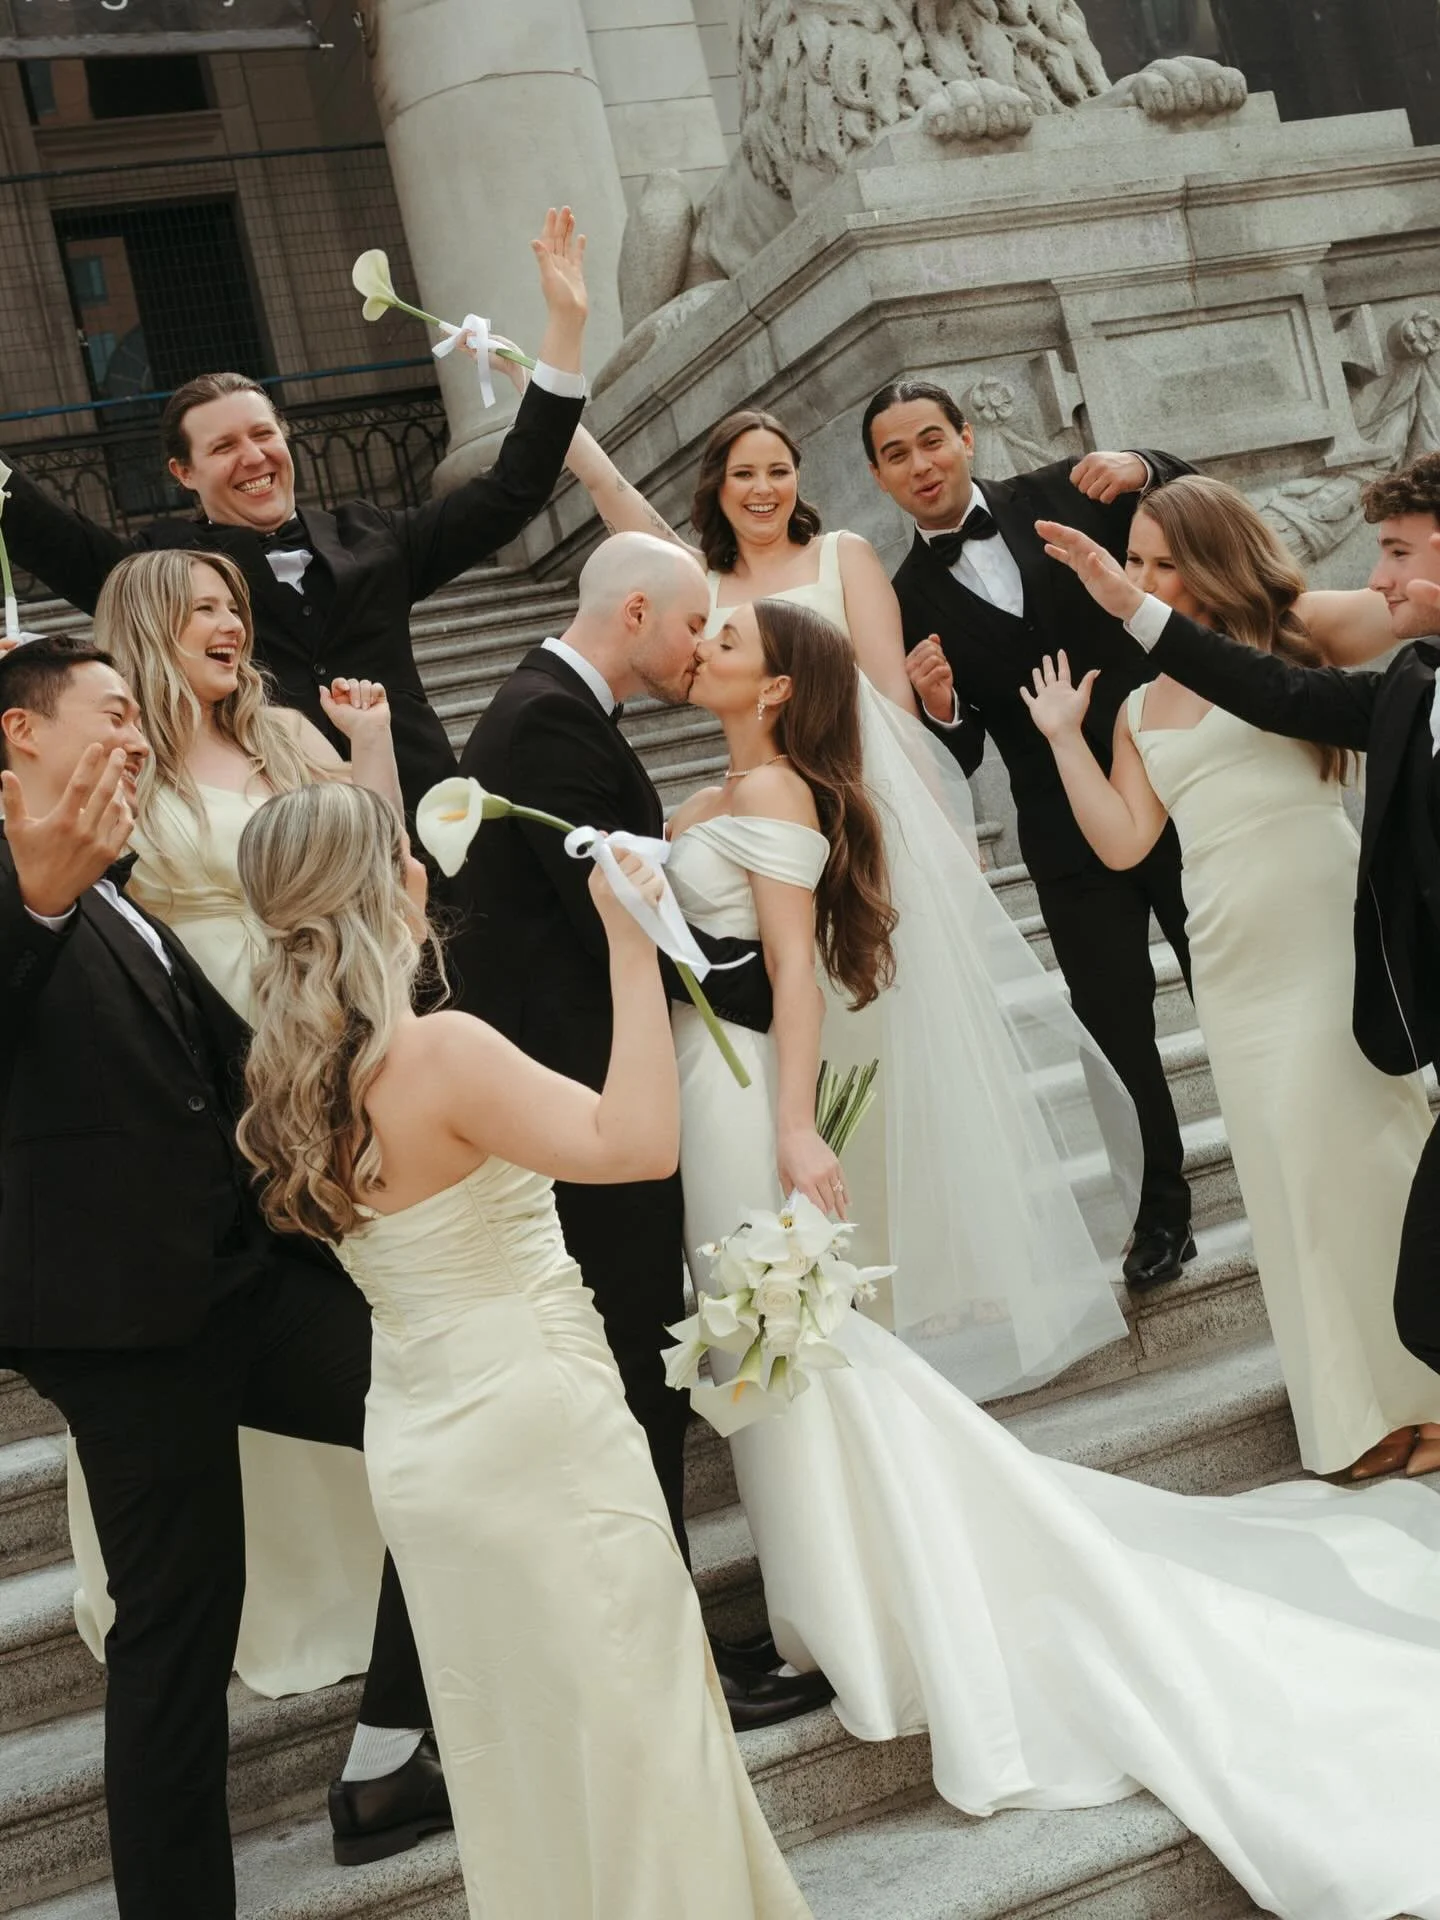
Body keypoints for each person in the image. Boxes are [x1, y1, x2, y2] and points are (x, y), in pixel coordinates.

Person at [667, 596, 1440, 1920]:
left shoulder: (778, 794)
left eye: (728, 641)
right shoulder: (735, 782)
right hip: (708, 1084)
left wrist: (796, 1127)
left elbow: (794, 979)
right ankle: (820, 1605)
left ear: (781, 689)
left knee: (798, 1350)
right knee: (784, 1353)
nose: (701, 646)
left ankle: (848, 1619)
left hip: (752, 1105)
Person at [233, 778, 816, 1920]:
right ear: (372, 893)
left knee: (524, 1772)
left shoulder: (290, 1083)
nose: (419, 869)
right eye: (399, 853)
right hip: (538, 1431)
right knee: (636, 1735)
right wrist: (631, 946)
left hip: (424, 1451)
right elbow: (639, 1144)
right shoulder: (437, 1054)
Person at [565, 415, 1140, 1393]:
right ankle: (846, 1265)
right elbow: (632, 523)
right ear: (716, 487)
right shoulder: (708, 591)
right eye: (743, 472)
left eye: (780, 469)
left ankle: (950, 1271)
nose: (762, 487)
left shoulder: (844, 555)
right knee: (822, 1047)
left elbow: (891, 697)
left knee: (905, 1045)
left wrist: (941, 826)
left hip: (871, 820)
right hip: (777, 829)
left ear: (801, 478)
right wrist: (567, 434)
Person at [0, 638, 438, 1920]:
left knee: (446, 1418)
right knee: (177, 1637)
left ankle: (397, 1745)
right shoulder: (38, 879)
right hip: (116, 1325)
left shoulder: (118, 876)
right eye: (113, 713)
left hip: (244, 1279)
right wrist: (31, 905)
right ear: (21, 733)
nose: (138, 735)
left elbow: (236, 1064)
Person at [449, 529, 831, 1729]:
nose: (697, 646)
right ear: (633, 616)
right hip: (594, 1097)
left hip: (659, 1081)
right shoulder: (550, 725)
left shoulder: (563, 716)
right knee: (638, 1370)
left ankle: (700, 1633)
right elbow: (620, 923)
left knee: (674, 1362)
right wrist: (763, 996)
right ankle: (672, 1665)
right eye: (689, 626)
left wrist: (773, 1023)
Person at [1020, 474, 1440, 1481]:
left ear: (1212, 555)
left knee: (1368, 1156)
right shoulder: (1128, 707)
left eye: (1167, 560)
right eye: (1137, 562)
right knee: (1285, 1179)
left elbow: (1400, 621)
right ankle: (1353, 1413)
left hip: (1330, 941)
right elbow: (1123, 844)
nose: (1149, 578)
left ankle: (1426, 1386)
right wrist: (1062, 742)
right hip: (1234, 960)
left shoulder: (1293, 634)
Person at [0, 209, 592, 814]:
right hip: (278, 838)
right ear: (184, 473)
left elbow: (512, 489)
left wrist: (565, 329)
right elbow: (47, 535)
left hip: (423, 813)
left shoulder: (374, 535)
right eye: (224, 447)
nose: (253, 458)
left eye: (263, 434)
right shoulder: (160, 569)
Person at [865, 378, 1200, 1289]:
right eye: (897, 454)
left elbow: (1199, 509)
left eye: (931, 440)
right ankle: (1160, 1210)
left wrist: (1147, 466)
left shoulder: (1066, 490)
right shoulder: (900, 600)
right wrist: (938, 709)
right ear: (880, 476)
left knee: (1226, 970)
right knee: (1115, 1022)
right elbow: (963, 749)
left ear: (967, 437)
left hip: (1175, 780)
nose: (920, 464)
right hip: (1060, 830)